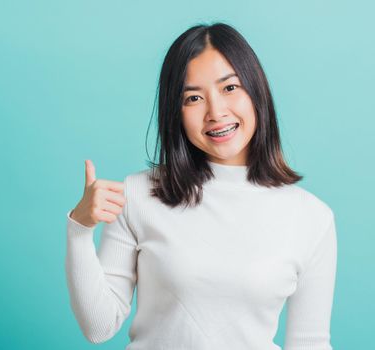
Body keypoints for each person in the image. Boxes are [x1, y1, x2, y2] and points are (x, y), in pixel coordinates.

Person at [65, 22, 337, 350]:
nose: (216, 112)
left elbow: (309, 344)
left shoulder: (312, 218)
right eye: (193, 97)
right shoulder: (137, 194)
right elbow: (98, 327)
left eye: (230, 88)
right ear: (175, 112)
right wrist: (80, 227)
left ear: (256, 91)